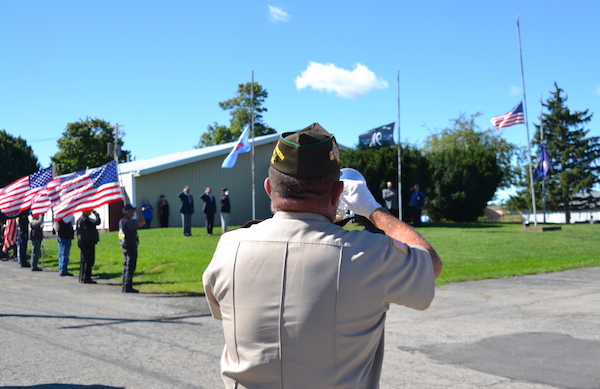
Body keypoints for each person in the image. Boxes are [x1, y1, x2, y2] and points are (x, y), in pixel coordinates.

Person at [202, 123, 442, 388]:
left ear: (270, 188)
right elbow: (430, 265)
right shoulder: (374, 254)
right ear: (338, 193)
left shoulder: (228, 248)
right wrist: (372, 209)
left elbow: (222, 313)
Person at [119, 204, 145, 293]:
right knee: (130, 266)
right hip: (130, 245)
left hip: (124, 245)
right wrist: (140, 214)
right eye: (132, 211)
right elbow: (142, 222)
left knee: (126, 265)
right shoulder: (130, 222)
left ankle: (124, 284)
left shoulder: (122, 221)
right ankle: (128, 286)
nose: (133, 213)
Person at [76, 210, 101, 284]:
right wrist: (96, 214)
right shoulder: (86, 220)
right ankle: (86, 277)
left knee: (83, 260)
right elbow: (97, 222)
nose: (90, 211)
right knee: (89, 260)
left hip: (82, 241)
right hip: (88, 241)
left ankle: (82, 276)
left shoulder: (79, 220)